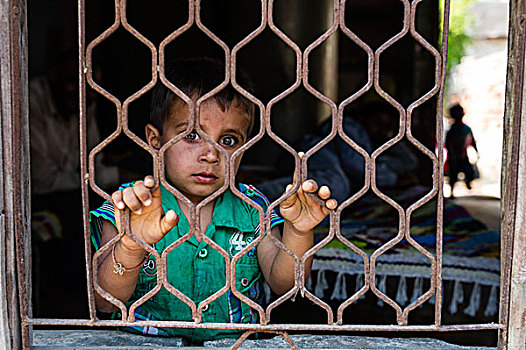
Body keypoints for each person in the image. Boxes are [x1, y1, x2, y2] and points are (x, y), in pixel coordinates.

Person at [89, 58, 337, 342]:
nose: (211, 154)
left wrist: (298, 231)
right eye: (192, 135)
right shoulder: (132, 204)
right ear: (155, 140)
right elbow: (104, 301)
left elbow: (286, 285)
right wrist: (132, 245)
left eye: (228, 140)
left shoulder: (253, 207)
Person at [257, 101, 419, 204]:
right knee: (336, 185)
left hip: (329, 166)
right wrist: (395, 180)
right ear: (364, 118)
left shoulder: (376, 146)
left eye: (388, 127)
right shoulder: (348, 127)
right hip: (311, 156)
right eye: (378, 123)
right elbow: (358, 167)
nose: (382, 130)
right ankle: (255, 195)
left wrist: (393, 137)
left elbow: (409, 161)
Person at [445, 103, 478, 197]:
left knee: (468, 172)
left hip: (461, 156)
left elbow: (472, 141)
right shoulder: (453, 130)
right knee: (453, 174)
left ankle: (467, 182)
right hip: (454, 156)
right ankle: (452, 190)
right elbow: (448, 144)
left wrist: (475, 151)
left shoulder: (465, 129)